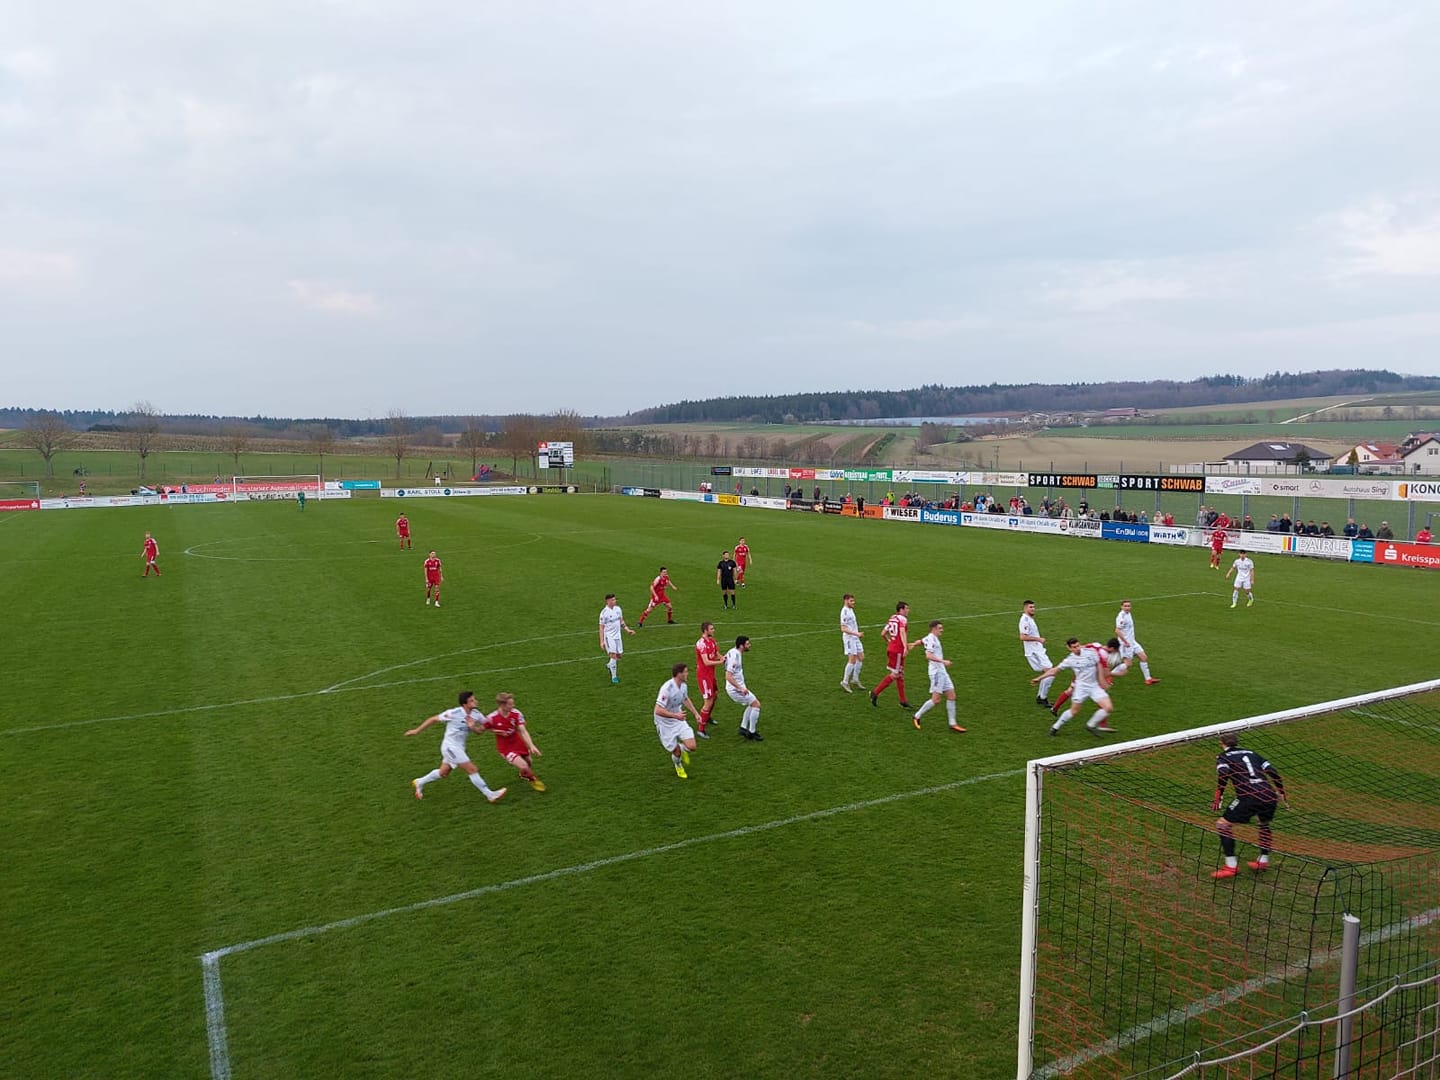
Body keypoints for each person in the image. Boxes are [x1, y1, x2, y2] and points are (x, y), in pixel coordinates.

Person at [406, 691, 508, 803]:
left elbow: (481, 730)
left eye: (474, 699)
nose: (475, 701)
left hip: (459, 748)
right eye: (472, 700)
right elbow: (433, 719)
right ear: (465, 704)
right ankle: (490, 795)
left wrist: (476, 727)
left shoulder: (476, 714)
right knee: (472, 769)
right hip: (450, 747)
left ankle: (419, 782)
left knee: (443, 773)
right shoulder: (454, 713)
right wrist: (417, 731)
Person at [1211, 732, 1288, 879]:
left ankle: (1231, 866)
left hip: (1249, 796)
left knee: (1222, 825)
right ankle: (1263, 861)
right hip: (1269, 795)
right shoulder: (1252, 753)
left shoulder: (1223, 757)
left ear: (1222, 743)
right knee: (1264, 824)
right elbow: (1272, 771)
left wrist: (1218, 797)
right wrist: (1281, 792)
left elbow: (1223, 773)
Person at [1035, 639, 1115, 736]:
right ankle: (1055, 727)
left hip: (1094, 686)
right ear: (1069, 648)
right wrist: (1039, 678)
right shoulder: (1070, 660)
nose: (1077, 649)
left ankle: (1091, 725)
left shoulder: (1091, 653)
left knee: (1108, 708)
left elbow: (1099, 665)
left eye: (1078, 645)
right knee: (1074, 711)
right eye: (1074, 647)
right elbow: (1054, 671)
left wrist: (1102, 680)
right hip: (1081, 687)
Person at [481, 692, 545, 792]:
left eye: (513, 703)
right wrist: (496, 731)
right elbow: (482, 729)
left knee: (528, 762)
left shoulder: (516, 713)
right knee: (524, 766)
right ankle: (534, 781)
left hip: (517, 742)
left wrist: (531, 745)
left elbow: (523, 730)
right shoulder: (491, 718)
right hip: (505, 748)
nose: (513, 706)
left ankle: (523, 774)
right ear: (502, 705)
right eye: (510, 704)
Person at [912, 620, 965, 733]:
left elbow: (921, 641)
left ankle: (952, 723)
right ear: (934, 629)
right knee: (936, 700)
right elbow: (928, 655)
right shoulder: (931, 639)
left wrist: (912, 644)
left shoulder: (930, 638)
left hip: (942, 672)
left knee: (951, 696)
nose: (942, 630)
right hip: (936, 673)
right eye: (940, 628)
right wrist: (943, 661)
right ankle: (917, 716)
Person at [1049, 639, 1124, 716]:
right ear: (1112, 648)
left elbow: (1083, 647)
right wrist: (1116, 674)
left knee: (1071, 690)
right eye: (1116, 650)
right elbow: (1104, 671)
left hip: (1082, 671)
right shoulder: (1104, 655)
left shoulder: (1096, 644)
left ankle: (1055, 708)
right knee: (1101, 693)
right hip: (1087, 675)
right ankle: (1101, 722)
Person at [654, 662, 703, 779]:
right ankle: (678, 765)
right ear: (678, 674)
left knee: (692, 746)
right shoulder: (667, 689)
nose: (687, 674)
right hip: (664, 722)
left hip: (678, 719)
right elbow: (657, 710)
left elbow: (685, 699)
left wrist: (696, 713)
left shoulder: (683, 686)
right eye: (685, 672)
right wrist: (675, 716)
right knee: (675, 751)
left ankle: (682, 748)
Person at [870, 602, 916, 709]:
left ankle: (903, 700)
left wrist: (889, 641)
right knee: (895, 674)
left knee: (900, 674)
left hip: (892, 648)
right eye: (906, 608)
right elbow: (902, 632)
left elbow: (883, 633)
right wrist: (905, 647)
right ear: (901, 609)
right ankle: (875, 693)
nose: (908, 610)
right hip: (898, 651)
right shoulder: (902, 619)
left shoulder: (892, 618)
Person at [726, 635, 763, 741]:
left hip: (736, 687)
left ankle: (743, 728)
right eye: (747, 644)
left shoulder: (732, 651)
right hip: (735, 689)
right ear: (741, 646)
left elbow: (724, 659)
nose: (749, 645)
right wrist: (740, 688)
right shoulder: (735, 657)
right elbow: (728, 676)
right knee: (756, 704)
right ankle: (752, 732)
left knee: (751, 704)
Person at [1019, 601, 1055, 708]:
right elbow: (1023, 637)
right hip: (1034, 652)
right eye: (1030, 607)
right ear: (1025, 608)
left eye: (1034, 607)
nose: (1033, 609)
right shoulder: (1025, 620)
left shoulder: (1029, 619)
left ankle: (1041, 697)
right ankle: (1042, 698)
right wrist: (1038, 639)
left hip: (1037, 650)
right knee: (1050, 672)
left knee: (1049, 672)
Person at [1115, 600, 1159, 684]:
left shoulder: (1128, 614)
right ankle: (1109, 675)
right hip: (1125, 644)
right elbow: (1117, 630)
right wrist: (1125, 642)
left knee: (1144, 657)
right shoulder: (1122, 617)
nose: (1127, 607)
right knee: (1128, 664)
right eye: (1125, 606)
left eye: (1128, 606)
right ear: (1121, 607)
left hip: (1133, 642)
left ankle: (1148, 679)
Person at [694, 621, 725, 737]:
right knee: (708, 701)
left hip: (711, 675)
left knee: (715, 696)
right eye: (711, 629)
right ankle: (700, 729)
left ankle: (706, 717)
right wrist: (720, 662)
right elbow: (706, 662)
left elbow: (716, 653)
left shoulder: (712, 641)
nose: (713, 630)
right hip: (704, 676)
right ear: (705, 630)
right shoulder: (701, 644)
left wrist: (723, 658)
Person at [598, 593, 635, 684]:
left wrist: (627, 630)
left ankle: (609, 665)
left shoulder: (618, 609)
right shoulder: (604, 613)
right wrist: (602, 641)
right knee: (613, 655)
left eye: (615, 599)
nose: (615, 601)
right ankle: (614, 677)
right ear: (608, 601)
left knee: (619, 656)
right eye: (613, 600)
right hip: (609, 637)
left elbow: (621, 621)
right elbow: (601, 627)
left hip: (618, 636)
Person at [839, 594, 866, 692]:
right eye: (851, 601)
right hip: (849, 638)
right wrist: (857, 633)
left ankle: (855, 679)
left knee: (861, 657)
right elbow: (843, 628)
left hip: (855, 637)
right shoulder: (844, 612)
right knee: (852, 660)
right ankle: (845, 682)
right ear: (846, 601)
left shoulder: (850, 609)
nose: (853, 603)